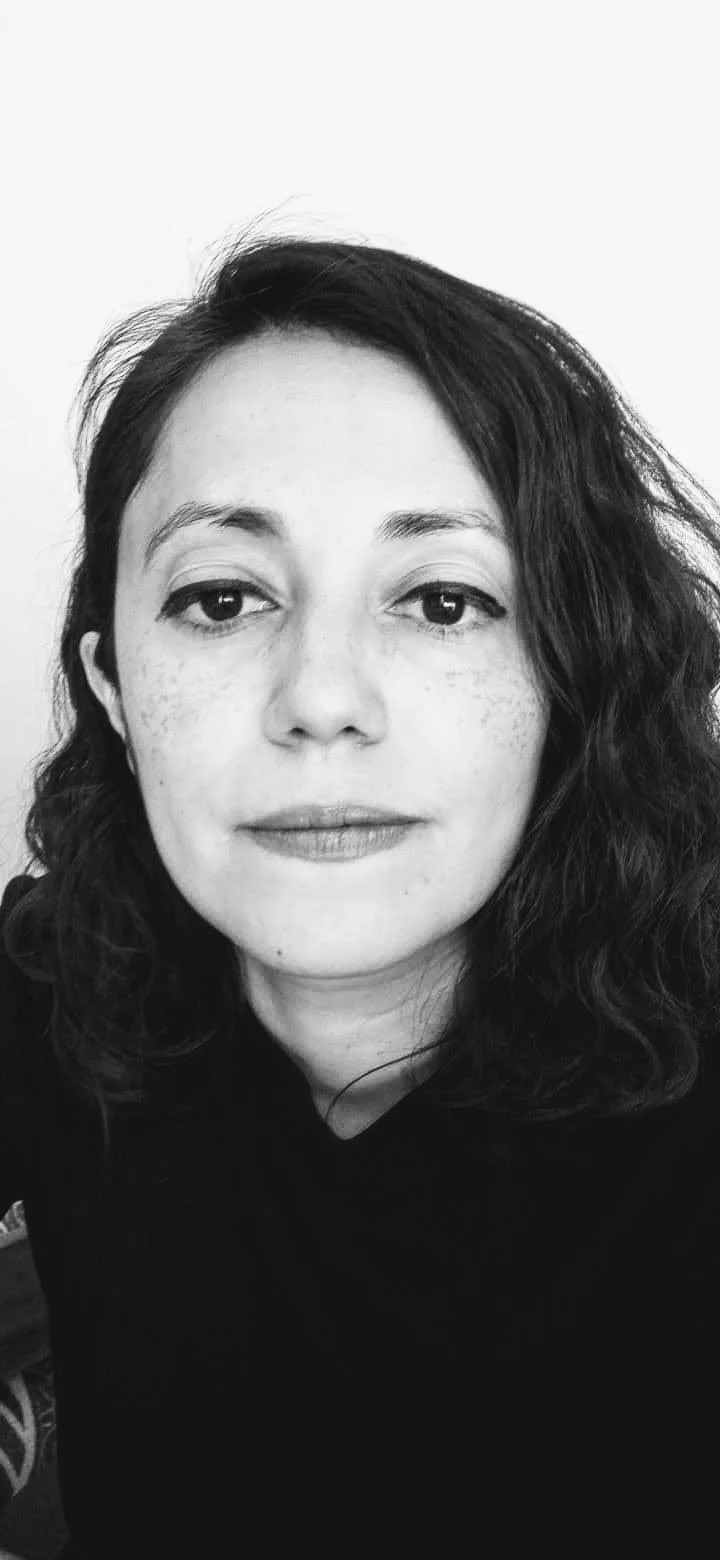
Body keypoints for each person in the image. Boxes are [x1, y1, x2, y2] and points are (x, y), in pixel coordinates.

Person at [2, 217, 720, 1555]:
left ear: (570, 675)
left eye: (443, 601)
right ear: (113, 687)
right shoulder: (50, 977)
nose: (322, 701)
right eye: (221, 600)